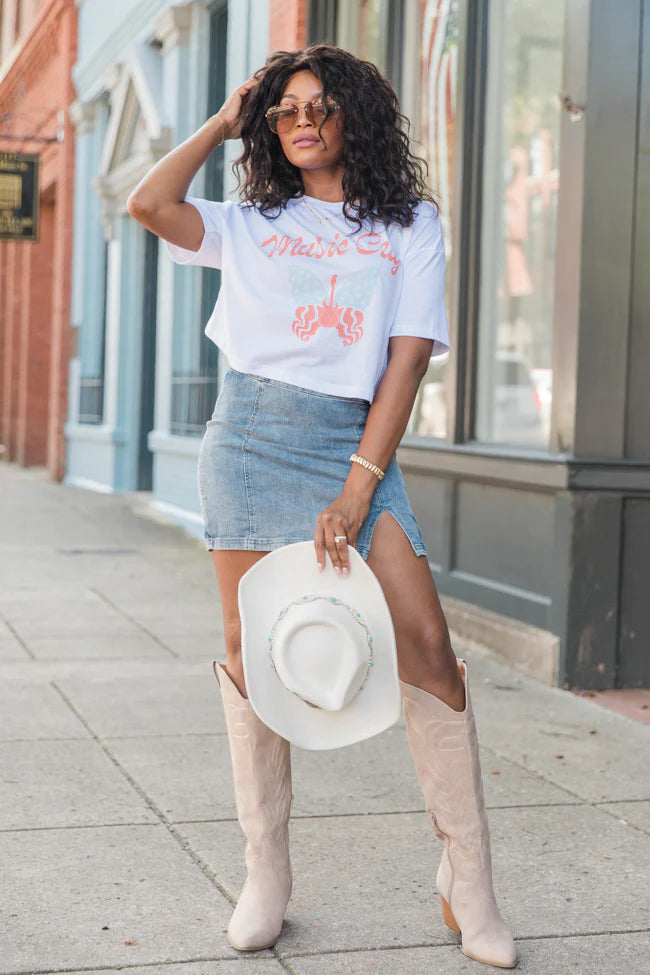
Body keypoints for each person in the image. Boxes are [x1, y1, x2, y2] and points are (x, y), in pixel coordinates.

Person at [127, 44, 516, 970]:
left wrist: (358, 482)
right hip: (251, 434)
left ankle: (471, 880)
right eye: (285, 110)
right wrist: (225, 120)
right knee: (247, 643)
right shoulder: (252, 220)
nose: (301, 122)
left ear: (356, 117)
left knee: (426, 646)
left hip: (356, 440)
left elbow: (409, 358)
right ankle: (267, 872)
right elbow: (147, 203)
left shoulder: (408, 222)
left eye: (320, 107)